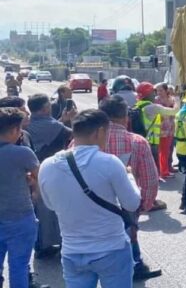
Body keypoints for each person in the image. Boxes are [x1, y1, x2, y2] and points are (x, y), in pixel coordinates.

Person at [38, 110, 140, 287]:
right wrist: (130, 176)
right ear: (99, 132)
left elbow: (50, 205)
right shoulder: (110, 163)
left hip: (72, 251)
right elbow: (132, 203)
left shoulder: (47, 165)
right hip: (111, 248)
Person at [99, 96, 162, 281]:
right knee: (129, 235)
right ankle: (134, 265)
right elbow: (150, 181)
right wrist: (143, 206)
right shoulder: (138, 142)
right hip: (127, 204)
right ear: (126, 116)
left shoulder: (84, 140)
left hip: (92, 203)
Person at [25, 93, 73, 259]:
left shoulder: (25, 125)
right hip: (54, 172)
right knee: (57, 209)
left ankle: (41, 245)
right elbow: (73, 134)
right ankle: (59, 243)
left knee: (38, 211)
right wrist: (68, 120)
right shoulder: (55, 126)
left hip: (29, 174)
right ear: (46, 108)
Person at [0, 108, 42, 288]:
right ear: (15, 130)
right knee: (19, 266)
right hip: (20, 216)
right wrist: (34, 190)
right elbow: (40, 177)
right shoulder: (22, 153)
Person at [134, 82, 178, 178]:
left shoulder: (138, 105)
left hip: (142, 137)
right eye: (154, 92)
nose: (156, 94)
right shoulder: (153, 107)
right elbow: (174, 111)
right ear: (149, 94)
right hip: (152, 139)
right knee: (155, 161)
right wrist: (177, 101)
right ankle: (158, 176)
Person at [154, 83, 178, 175]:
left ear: (166, 90)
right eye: (157, 90)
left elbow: (176, 112)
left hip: (170, 129)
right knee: (162, 151)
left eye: (161, 90)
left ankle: (165, 169)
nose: (159, 92)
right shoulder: (156, 100)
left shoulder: (172, 99)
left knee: (167, 151)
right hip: (160, 129)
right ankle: (163, 171)